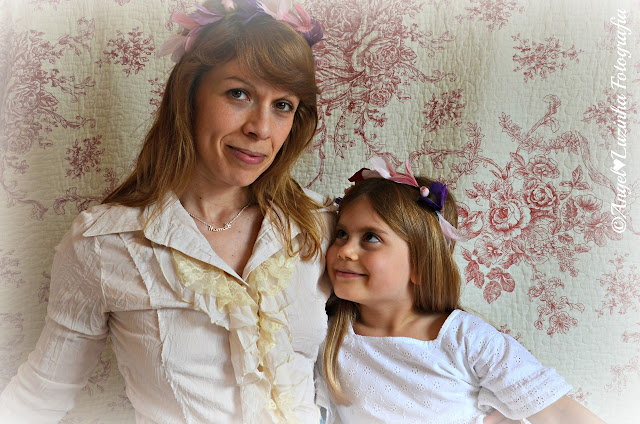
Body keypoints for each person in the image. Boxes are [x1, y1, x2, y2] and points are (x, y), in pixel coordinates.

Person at [0, 1, 333, 423]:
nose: (261, 128)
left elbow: (380, 357)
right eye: (239, 94)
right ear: (189, 96)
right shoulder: (105, 243)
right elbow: (40, 395)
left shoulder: (319, 225)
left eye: (282, 105)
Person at [316, 158, 607, 424]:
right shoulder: (327, 337)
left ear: (421, 264)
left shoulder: (466, 339)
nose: (345, 250)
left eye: (370, 238)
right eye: (341, 234)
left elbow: (559, 412)